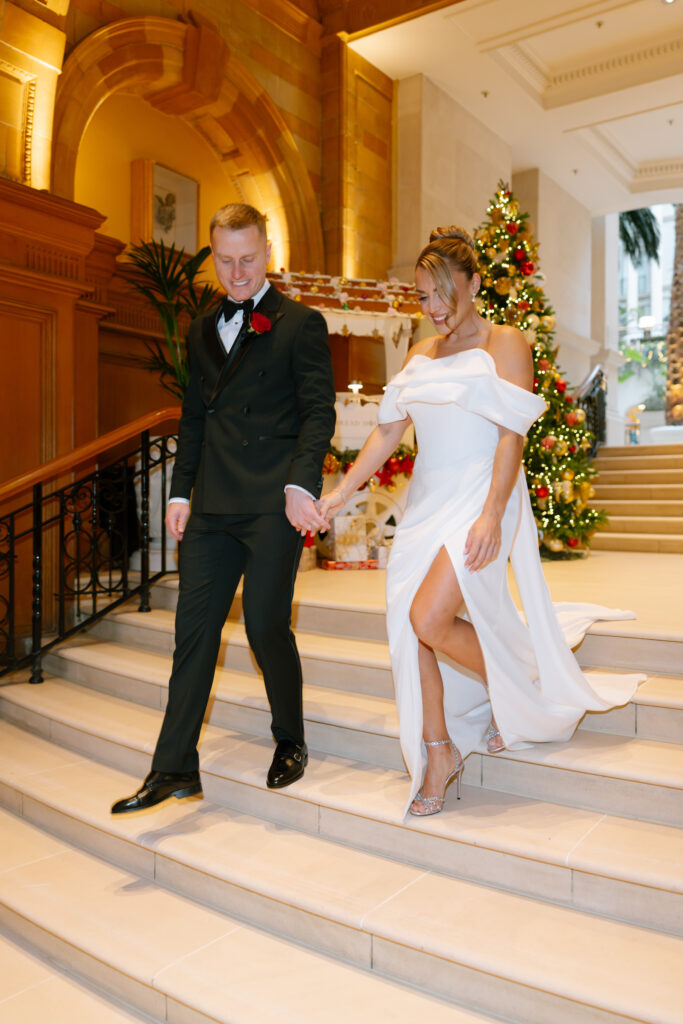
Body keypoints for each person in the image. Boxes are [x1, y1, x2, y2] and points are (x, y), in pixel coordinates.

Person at [318, 227, 643, 817]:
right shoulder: (419, 354)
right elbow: (390, 431)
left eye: (445, 293)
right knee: (411, 629)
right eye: (423, 297)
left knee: (429, 616)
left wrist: (493, 515)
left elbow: (509, 438)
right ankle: (438, 748)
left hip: (480, 496)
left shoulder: (506, 344)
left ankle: (514, 685)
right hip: (426, 504)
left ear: (472, 283)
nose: (435, 308)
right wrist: (342, 489)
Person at [112, 204, 335, 814]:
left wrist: (301, 483)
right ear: (213, 258)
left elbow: (319, 412)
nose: (237, 274)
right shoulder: (202, 327)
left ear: (267, 253)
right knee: (193, 634)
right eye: (226, 262)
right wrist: (181, 492)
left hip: (272, 502)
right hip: (211, 505)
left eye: (248, 259)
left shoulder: (299, 324)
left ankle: (289, 737)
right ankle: (174, 767)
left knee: (264, 624)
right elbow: (193, 416)